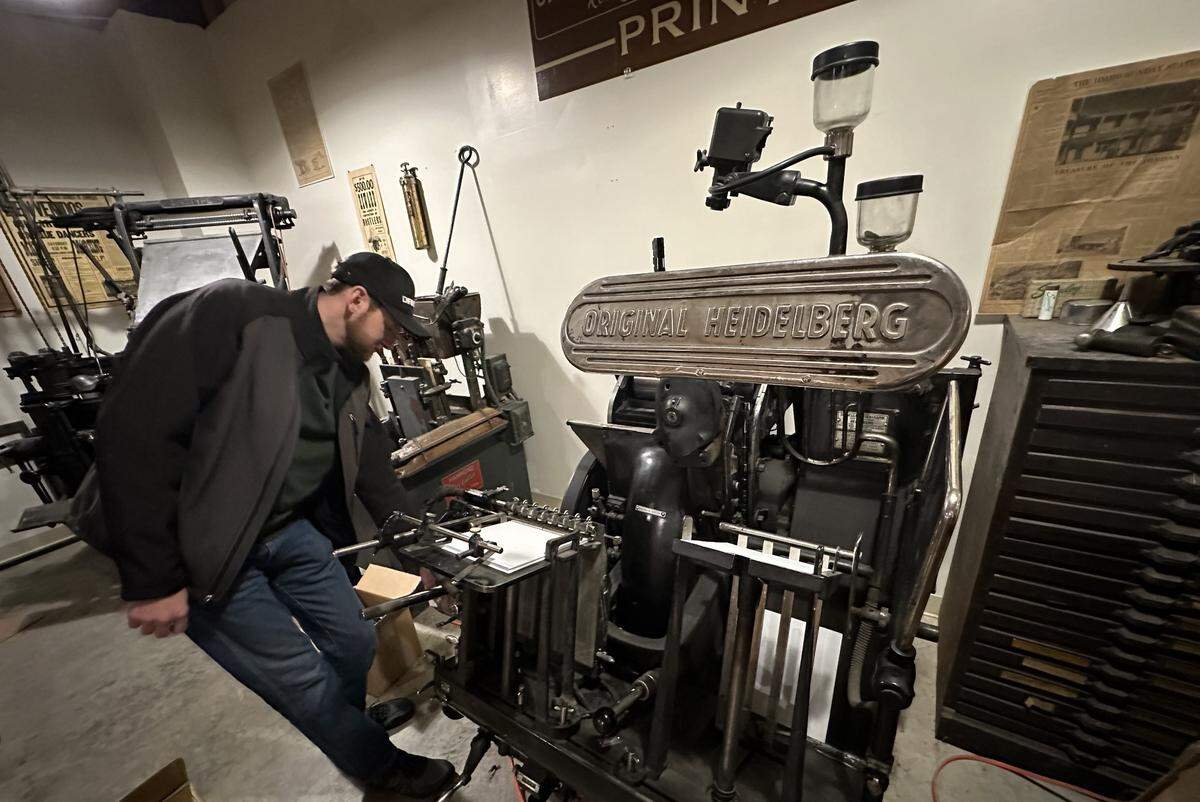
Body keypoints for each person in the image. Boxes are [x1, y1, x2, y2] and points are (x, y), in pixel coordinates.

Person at [74, 252, 457, 799]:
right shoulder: (236, 314)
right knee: (298, 677)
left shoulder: (349, 374)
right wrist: (153, 578)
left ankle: (345, 727)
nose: (394, 343)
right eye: (392, 327)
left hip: (286, 530)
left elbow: (377, 479)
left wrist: (427, 554)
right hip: (207, 548)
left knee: (352, 640)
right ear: (356, 300)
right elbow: (132, 431)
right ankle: (382, 772)